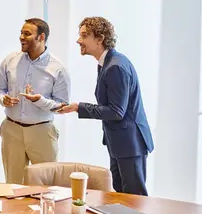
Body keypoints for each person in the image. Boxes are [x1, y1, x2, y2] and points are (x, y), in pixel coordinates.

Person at [57, 17, 154, 196]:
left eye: (84, 36)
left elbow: (117, 112)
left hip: (129, 144)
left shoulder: (115, 66)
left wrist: (79, 107)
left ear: (100, 39)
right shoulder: (106, 64)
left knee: (134, 199)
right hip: (119, 143)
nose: (79, 40)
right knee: (121, 196)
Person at [0, 18, 70, 184]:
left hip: (42, 132)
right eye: (21, 33)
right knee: (13, 185)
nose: (21, 37)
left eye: (27, 34)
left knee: (46, 185)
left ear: (41, 37)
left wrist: (40, 101)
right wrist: (3, 99)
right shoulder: (10, 61)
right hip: (11, 130)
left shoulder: (57, 68)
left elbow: (63, 106)